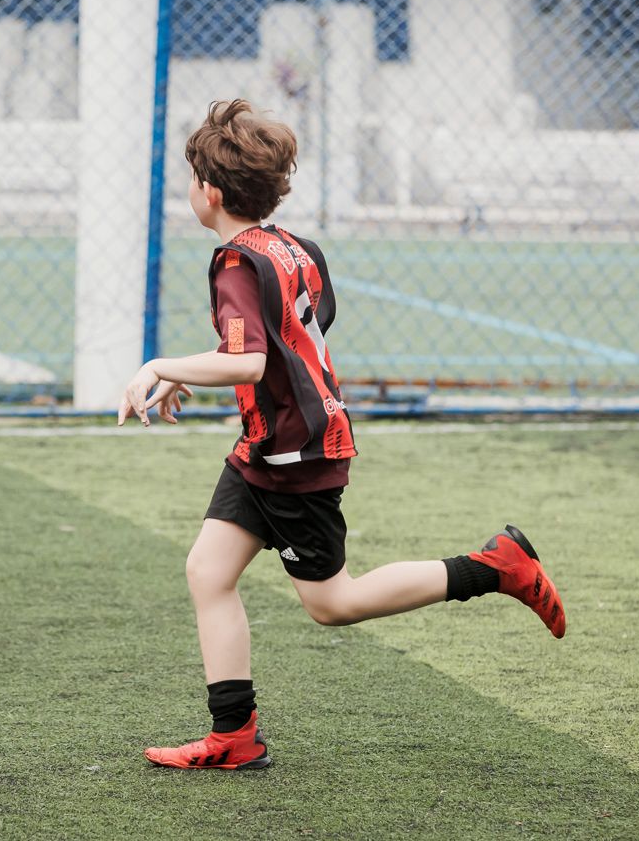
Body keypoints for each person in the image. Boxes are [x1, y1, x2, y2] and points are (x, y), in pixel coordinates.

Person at [118, 100, 566, 770]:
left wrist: (161, 365)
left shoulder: (235, 263)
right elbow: (301, 326)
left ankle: (494, 568)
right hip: (270, 446)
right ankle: (233, 736)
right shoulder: (294, 247)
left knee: (333, 603)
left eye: (191, 178)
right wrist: (202, 374)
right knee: (208, 572)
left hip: (297, 453)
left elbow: (249, 359)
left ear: (208, 192)